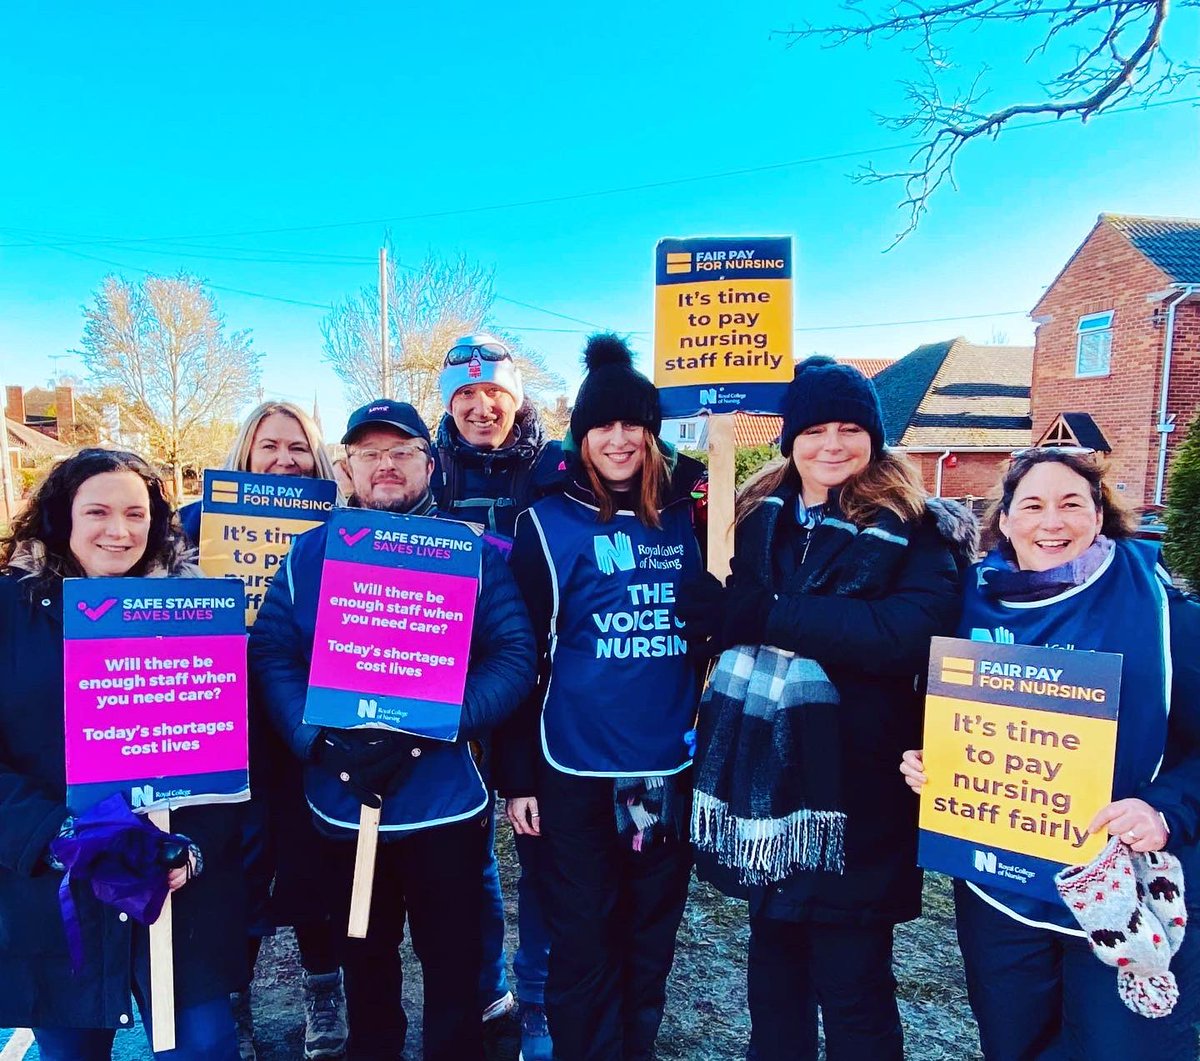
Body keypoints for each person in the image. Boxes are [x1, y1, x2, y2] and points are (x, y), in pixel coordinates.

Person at [677, 356, 974, 1061]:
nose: (832, 444)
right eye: (814, 429)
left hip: (857, 792)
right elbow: (738, 617)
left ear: (875, 436)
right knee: (773, 981)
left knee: (853, 990)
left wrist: (765, 613)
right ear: (790, 438)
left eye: (850, 428)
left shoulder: (917, 528)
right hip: (767, 787)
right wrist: (718, 616)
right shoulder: (757, 517)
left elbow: (903, 635)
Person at [249, 398, 535, 1061]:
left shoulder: (472, 554)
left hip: (444, 806)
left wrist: (438, 721)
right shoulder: (308, 555)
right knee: (365, 960)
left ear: (429, 463)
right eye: (369, 453)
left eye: (401, 451)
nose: (385, 465)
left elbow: (514, 655)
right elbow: (272, 654)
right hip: (347, 808)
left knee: (453, 966)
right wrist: (317, 739)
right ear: (346, 467)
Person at [900, 448, 1200, 1060]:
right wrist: (938, 765)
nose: (1052, 523)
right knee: (1014, 1045)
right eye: (1032, 506)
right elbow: (952, 722)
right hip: (1001, 887)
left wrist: (1165, 809)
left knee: (1122, 1050)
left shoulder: (1163, 611)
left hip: (1122, 885)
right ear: (1004, 520)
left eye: (1072, 505)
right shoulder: (971, 602)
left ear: (1100, 516)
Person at [497, 334, 706, 1061]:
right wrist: (517, 772)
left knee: (648, 931)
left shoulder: (693, 519)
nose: (618, 440)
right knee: (583, 936)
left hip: (661, 769)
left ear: (652, 433)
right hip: (573, 770)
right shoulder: (545, 525)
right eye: (602, 426)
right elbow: (523, 656)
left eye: (632, 425)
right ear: (581, 435)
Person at [0, 448, 243, 1060]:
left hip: (174, 882)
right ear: (63, 518)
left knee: (205, 1043)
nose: (119, 530)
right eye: (99, 512)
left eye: (135, 514)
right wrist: (66, 835)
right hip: (58, 887)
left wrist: (196, 850)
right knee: (73, 1049)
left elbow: (229, 750)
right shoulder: (10, 611)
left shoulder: (196, 613)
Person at [179, 401, 347, 1061]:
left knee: (314, 855)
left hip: (308, 719)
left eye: (298, 448)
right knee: (231, 864)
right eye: (270, 445)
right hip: (224, 722)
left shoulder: (340, 530)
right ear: (245, 452)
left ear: (318, 459)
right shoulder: (195, 526)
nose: (284, 460)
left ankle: (324, 985)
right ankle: (231, 995)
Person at [433, 334, 560, 1057]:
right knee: (466, 836)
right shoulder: (432, 470)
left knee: (540, 841)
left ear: (514, 396)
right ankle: (486, 986)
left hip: (541, 676)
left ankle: (537, 993)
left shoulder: (552, 467)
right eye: (466, 397)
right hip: (454, 682)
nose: (482, 409)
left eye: (495, 396)